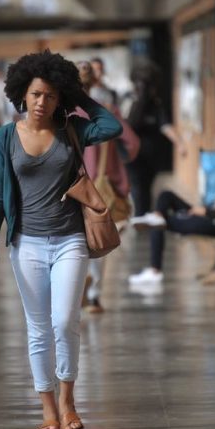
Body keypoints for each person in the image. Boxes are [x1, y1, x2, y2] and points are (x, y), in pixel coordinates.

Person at [0, 50, 122, 429]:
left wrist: (78, 96)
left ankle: (68, 399)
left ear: (59, 98)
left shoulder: (71, 130)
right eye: (36, 94)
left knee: (65, 320)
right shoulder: (5, 137)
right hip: (26, 245)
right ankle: (47, 407)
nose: (42, 102)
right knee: (38, 328)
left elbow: (111, 126)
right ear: (22, 95)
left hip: (70, 240)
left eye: (51, 95)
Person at [128, 142, 215, 285]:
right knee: (166, 195)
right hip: (210, 215)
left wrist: (206, 212)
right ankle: (157, 216)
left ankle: (155, 270)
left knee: (158, 225)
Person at [75, 60, 140, 313]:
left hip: (70, 186)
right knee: (97, 239)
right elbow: (132, 142)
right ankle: (93, 295)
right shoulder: (107, 110)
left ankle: (77, 284)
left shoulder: (64, 114)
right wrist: (118, 163)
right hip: (101, 184)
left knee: (75, 240)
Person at [124, 60, 188, 216]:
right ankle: (140, 216)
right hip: (132, 156)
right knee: (138, 186)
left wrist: (179, 143)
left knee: (146, 186)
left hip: (151, 156)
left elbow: (165, 126)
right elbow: (124, 125)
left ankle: (143, 216)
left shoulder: (156, 104)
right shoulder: (128, 101)